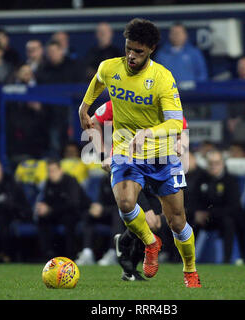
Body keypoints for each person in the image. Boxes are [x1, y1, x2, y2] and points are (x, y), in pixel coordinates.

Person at [78, 18, 201, 287]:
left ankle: (190, 270)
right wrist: (84, 107)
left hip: (161, 156)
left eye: (139, 51)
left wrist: (149, 133)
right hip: (126, 151)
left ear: (152, 50)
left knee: (177, 222)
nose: (132, 56)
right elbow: (99, 81)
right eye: (129, 48)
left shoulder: (163, 78)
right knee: (124, 203)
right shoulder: (110, 67)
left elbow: (175, 123)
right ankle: (150, 243)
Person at [190, 150, 245, 264]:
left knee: (229, 222)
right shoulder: (201, 179)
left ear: (222, 164)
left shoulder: (230, 181)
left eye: (217, 163)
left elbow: (234, 206)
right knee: (187, 222)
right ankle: (182, 259)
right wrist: (196, 212)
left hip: (221, 216)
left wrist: (210, 213)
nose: (213, 166)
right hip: (203, 217)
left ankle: (227, 260)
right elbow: (193, 199)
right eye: (211, 163)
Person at [35, 158, 90, 260]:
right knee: (42, 219)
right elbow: (47, 201)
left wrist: (50, 209)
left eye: (54, 171)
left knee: (69, 219)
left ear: (60, 170)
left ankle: (70, 256)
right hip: (57, 213)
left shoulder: (71, 181)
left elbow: (73, 204)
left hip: (75, 213)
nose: (52, 174)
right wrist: (43, 207)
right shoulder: (48, 183)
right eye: (49, 171)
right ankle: (47, 255)